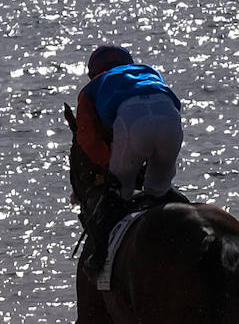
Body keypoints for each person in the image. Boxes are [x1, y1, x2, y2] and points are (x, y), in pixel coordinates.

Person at [74, 45, 185, 273]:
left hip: (133, 123)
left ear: (93, 73)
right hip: (170, 120)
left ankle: (98, 258)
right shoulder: (148, 72)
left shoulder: (90, 90)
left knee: (118, 194)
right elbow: (169, 104)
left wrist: (108, 168)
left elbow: (87, 138)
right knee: (159, 189)